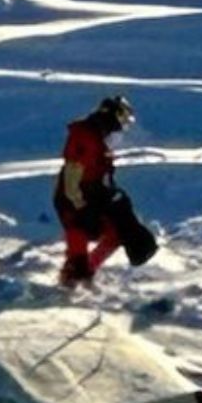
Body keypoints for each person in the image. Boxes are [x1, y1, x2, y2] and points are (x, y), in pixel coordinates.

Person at [53, 95, 136, 287]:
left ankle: (85, 272)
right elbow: (73, 172)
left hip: (93, 196)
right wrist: (78, 202)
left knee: (117, 233)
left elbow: (101, 172)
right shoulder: (85, 137)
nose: (123, 128)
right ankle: (73, 280)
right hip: (74, 199)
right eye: (122, 121)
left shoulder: (100, 139)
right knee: (78, 244)